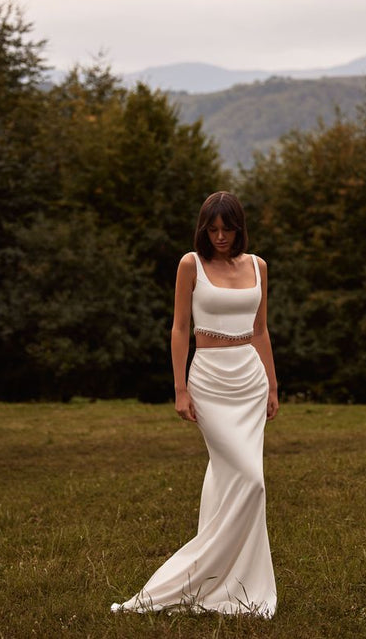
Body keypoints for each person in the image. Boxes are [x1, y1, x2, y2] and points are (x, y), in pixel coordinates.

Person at [111, 191, 278, 617]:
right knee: (251, 481)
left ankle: (238, 582)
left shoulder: (258, 266)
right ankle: (195, 572)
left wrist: (273, 386)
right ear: (203, 229)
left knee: (229, 481)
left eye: (228, 228)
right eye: (213, 229)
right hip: (209, 381)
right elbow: (180, 327)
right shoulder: (191, 264)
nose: (220, 236)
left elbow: (260, 331)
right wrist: (180, 388)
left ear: (240, 227)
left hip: (250, 382)